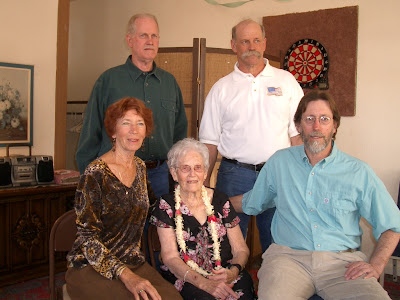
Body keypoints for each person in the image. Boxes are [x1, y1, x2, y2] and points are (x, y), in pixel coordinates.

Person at [230, 90, 400, 299]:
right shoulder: (279, 162)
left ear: (335, 125)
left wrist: (375, 265)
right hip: (288, 260)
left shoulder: (358, 172)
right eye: (309, 119)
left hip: (342, 265)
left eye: (324, 119)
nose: (316, 127)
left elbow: (392, 226)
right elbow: (252, 202)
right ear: (299, 126)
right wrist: (208, 200)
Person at [199, 18, 303, 252]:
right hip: (234, 175)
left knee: (278, 246)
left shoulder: (286, 81)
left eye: (256, 40)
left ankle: (273, 287)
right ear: (233, 45)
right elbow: (209, 143)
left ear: (265, 43)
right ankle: (233, 288)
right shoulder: (221, 88)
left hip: (277, 174)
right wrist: (203, 187)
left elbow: (297, 136)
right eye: (244, 41)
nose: (251, 46)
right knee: (227, 246)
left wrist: (299, 176)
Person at [66, 97, 182, 300]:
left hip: (132, 261)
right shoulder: (95, 173)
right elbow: (87, 239)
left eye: (140, 124)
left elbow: (155, 208)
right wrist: (126, 276)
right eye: (126, 123)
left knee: (173, 297)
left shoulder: (140, 167)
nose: (134, 130)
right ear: (113, 131)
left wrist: (191, 202)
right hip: (91, 266)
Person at [76, 13, 187, 199]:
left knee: (162, 228)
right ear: (130, 40)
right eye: (143, 35)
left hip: (160, 176)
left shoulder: (169, 83)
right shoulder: (109, 81)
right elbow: (90, 134)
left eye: (154, 36)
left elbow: (180, 135)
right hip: (117, 174)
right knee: (123, 229)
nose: (150, 41)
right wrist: (89, 182)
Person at [150, 138, 256, 300]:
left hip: (224, 273)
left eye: (198, 168)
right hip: (186, 276)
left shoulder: (221, 201)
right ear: (174, 173)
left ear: (205, 172)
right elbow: (170, 257)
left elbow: (241, 249)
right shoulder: (166, 205)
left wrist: (232, 272)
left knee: (242, 294)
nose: (192, 174)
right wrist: (203, 283)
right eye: (185, 168)